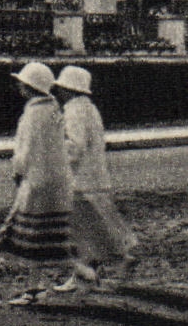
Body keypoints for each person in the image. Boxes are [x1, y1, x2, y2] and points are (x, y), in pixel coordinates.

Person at [0, 62, 87, 305]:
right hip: (59, 182)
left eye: (22, 82)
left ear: (30, 87)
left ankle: (34, 289)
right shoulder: (55, 110)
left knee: (33, 239)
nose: (19, 86)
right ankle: (82, 273)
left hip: (37, 183)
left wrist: (17, 172)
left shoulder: (32, 114)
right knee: (56, 235)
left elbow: (25, 151)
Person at [52, 65, 137, 291]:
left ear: (69, 89)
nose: (59, 92)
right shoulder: (90, 109)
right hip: (96, 179)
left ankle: (92, 271)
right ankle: (108, 263)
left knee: (79, 230)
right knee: (96, 227)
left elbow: (75, 146)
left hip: (79, 182)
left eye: (61, 88)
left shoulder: (73, 111)